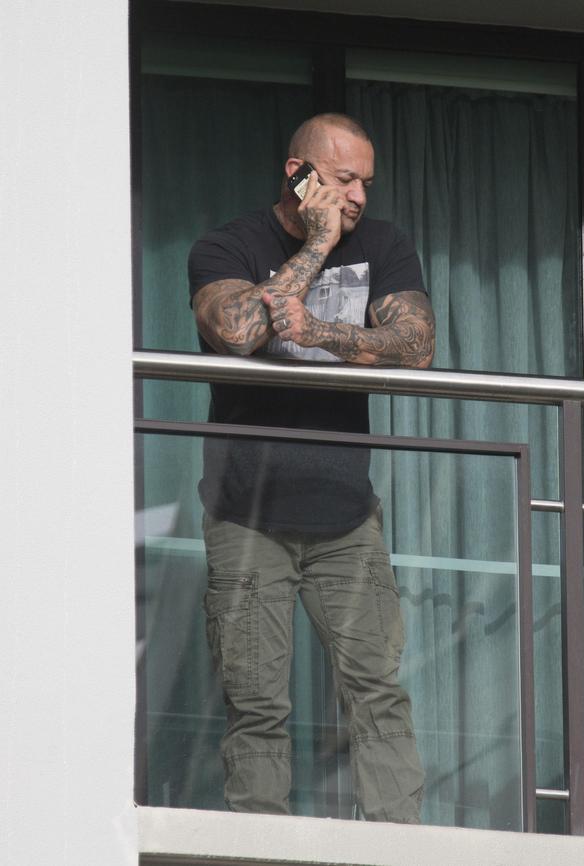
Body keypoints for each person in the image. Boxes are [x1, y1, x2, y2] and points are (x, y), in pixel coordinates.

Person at [188, 113, 435, 823]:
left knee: (375, 687)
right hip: (246, 513)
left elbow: (415, 347)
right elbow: (236, 331)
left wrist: (321, 330)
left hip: (345, 515)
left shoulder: (385, 245)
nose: (358, 196)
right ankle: (261, 843)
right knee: (257, 699)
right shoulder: (227, 244)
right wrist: (319, 244)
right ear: (298, 173)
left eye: (367, 182)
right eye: (344, 178)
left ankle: (398, 845)